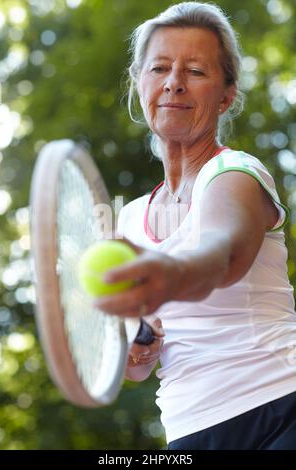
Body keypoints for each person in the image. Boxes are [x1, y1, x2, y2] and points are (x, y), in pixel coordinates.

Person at [94, 2, 296, 450]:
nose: (174, 83)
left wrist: (163, 276)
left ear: (226, 96)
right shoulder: (129, 221)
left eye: (197, 72)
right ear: (139, 83)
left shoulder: (237, 174)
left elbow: (220, 255)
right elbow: (137, 368)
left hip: (280, 406)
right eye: (160, 67)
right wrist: (137, 345)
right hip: (188, 430)